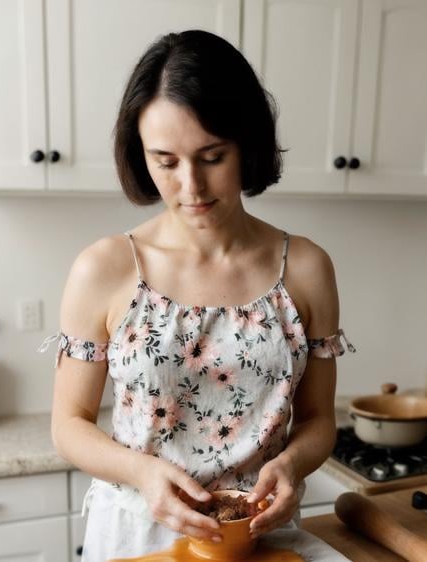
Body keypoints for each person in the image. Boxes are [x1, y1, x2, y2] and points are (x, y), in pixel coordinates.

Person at [40, 29, 355, 561]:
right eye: (166, 161)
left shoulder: (305, 269)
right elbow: (68, 424)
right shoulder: (104, 269)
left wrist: (291, 465)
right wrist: (142, 472)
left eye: (212, 156)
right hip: (139, 534)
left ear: (248, 144)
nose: (192, 186)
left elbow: (319, 421)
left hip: (260, 537)